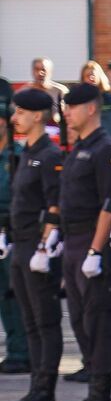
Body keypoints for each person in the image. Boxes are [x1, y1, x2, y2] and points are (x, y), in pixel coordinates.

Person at [53, 83, 111, 401]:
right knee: (81, 319)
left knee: (97, 319)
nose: (66, 113)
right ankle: (92, 387)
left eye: (72, 106)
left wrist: (96, 250)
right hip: (73, 242)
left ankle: (101, 397)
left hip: (90, 243)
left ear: (91, 109)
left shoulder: (105, 149)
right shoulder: (79, 147)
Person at [4, 89, 63, 401]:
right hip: (21, 245)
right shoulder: (26, 152)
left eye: (21, 112)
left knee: (45, 321)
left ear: (38, 115)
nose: (15, 118)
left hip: (37, 248)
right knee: (29, 321)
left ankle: (45, 391)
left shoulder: (49, 154)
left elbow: (55, 205)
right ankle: (35, 388)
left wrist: (45, 246)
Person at [0, 121, 24, 375]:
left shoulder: (17, 154)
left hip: (13, 232)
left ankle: (22, 351)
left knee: (14, 293)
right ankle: (14, 349)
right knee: (3, 297)